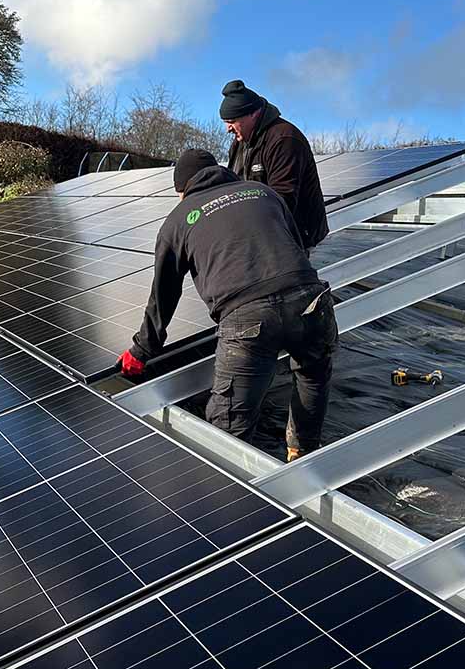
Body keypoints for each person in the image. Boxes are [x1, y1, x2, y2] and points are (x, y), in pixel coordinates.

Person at [118, 149, 338, 460]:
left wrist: (142, 350)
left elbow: (164, 295)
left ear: (183, 189)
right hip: (311, 301)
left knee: (228, 427)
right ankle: (302, 457)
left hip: (248, 317)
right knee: (312, 377)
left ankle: (230, 495)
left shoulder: (179, 219)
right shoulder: (263, 192)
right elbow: (297, 246)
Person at [219, 79, 329, 252]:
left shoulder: (284, 139)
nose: (228, 129)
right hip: (260, 231)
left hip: (293, 235)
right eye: (225, 122)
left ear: (253, 114)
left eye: (232, 121)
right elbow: (234, 185)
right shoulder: (240, 143)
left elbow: (282, 198)